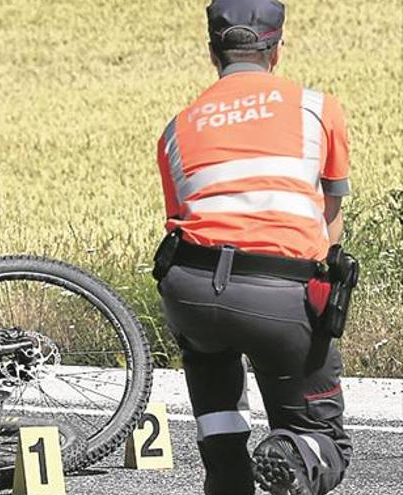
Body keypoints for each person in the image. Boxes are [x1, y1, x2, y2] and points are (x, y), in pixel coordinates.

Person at [152, 1, 353, 494]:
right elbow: (332, 220)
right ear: (276, 49)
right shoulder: (316, 107)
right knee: (322, 439)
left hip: (191, 286)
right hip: (279, 291)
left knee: (214, 382)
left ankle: (224, 465)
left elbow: (180, 217)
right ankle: (293, 450)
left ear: (211, 53)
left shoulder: (177, 127)